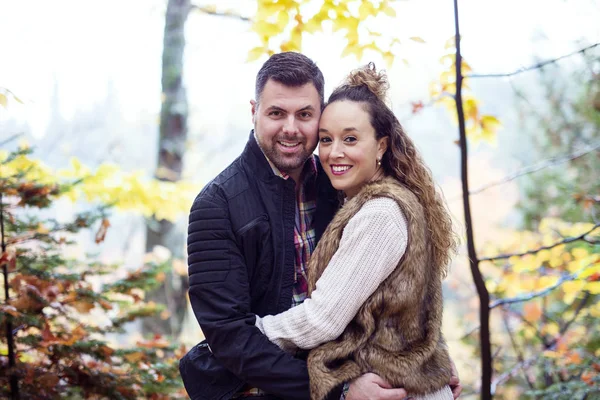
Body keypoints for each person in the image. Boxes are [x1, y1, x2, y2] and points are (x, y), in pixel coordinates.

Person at [179, 52, 461, 400]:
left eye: (305, 115)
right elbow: (231, 337)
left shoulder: (338, 184)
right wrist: (338, 391)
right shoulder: (218, 205)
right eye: (276, 113)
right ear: (253, 111)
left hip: (362, 374)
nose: (291, 128)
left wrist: (427, 360)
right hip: (283, 388)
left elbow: (395, 289)